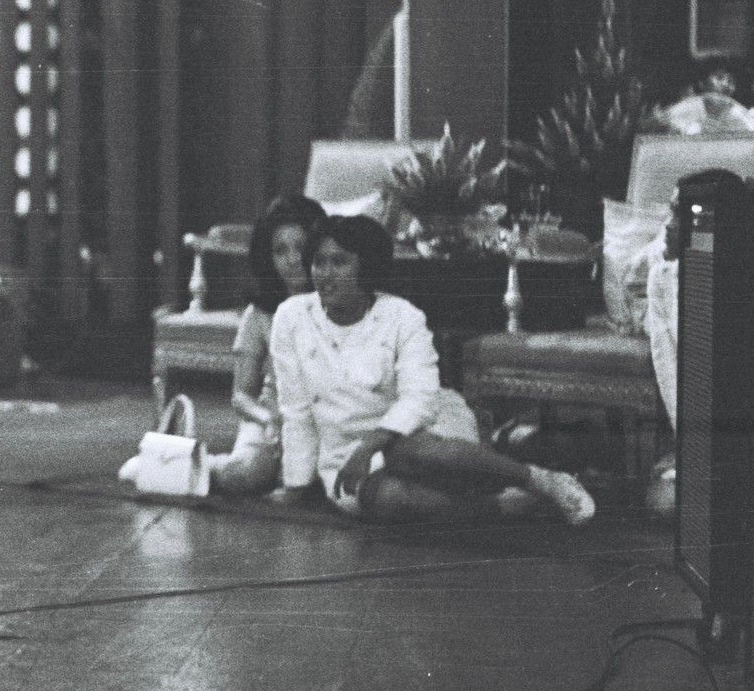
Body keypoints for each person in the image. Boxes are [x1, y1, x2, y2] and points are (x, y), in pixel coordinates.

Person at [269, 215, 597, 525]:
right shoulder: (291, 317)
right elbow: (295, 409)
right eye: (318, 262)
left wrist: (372, 444)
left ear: (366, 267)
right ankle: (499, 507)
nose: (324, 274)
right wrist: (297, 483)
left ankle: (541, 480)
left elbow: (420, 400)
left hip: (425, 430)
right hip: (346, 456)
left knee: (408, 452)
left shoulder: (403, 316)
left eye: (339, 261)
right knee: (387, 499)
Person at [212, 195, 325, 493]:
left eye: (301, 248)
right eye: (280, 251)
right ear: (267, 257)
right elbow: (241, 396)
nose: (292, 260)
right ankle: (180, 463)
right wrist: (269, 419)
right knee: (243, 477)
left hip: (329, 417)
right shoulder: (259, 314)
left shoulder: (336, 303)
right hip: (272, 418)